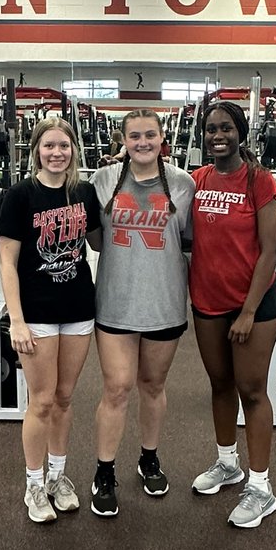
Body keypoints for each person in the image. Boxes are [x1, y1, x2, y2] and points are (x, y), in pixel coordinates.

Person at [89, 111, 195, 517]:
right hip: (116, 301)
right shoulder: (103, 180)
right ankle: (104, 471)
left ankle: (149, 458)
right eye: (135, 136)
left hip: (164, 303)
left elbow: (187, 241)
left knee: (152, 386)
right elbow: (95, 240)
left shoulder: (183, 184)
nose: (143, 142)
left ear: (162, 137)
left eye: (150, 134)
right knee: (117, 388)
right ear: (124, 140)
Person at [0, 116, 101, 524]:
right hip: (36, 312)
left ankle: (57, 477)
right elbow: (7, 263)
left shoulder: (85, 193)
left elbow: (98, 241)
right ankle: (34, 484)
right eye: (49, 146)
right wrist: (16, 320)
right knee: (40, 400)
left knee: (65, 397)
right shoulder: (20, 196)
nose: (57, 153)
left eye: (64, 146)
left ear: (74, 150)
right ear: (37, 150)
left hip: (78, 309)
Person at [188, 101, 276, 529]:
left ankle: (261, 487)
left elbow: (271, 250)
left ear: (240, 133)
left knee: (252, 390)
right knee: (220, 383)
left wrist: (247, 312)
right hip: (207, 301)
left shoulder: (260, 181)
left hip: (254, 305)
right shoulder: (197, 180)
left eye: (225, 128)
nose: (217, 136)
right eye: (211, 129)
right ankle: (228, 463)